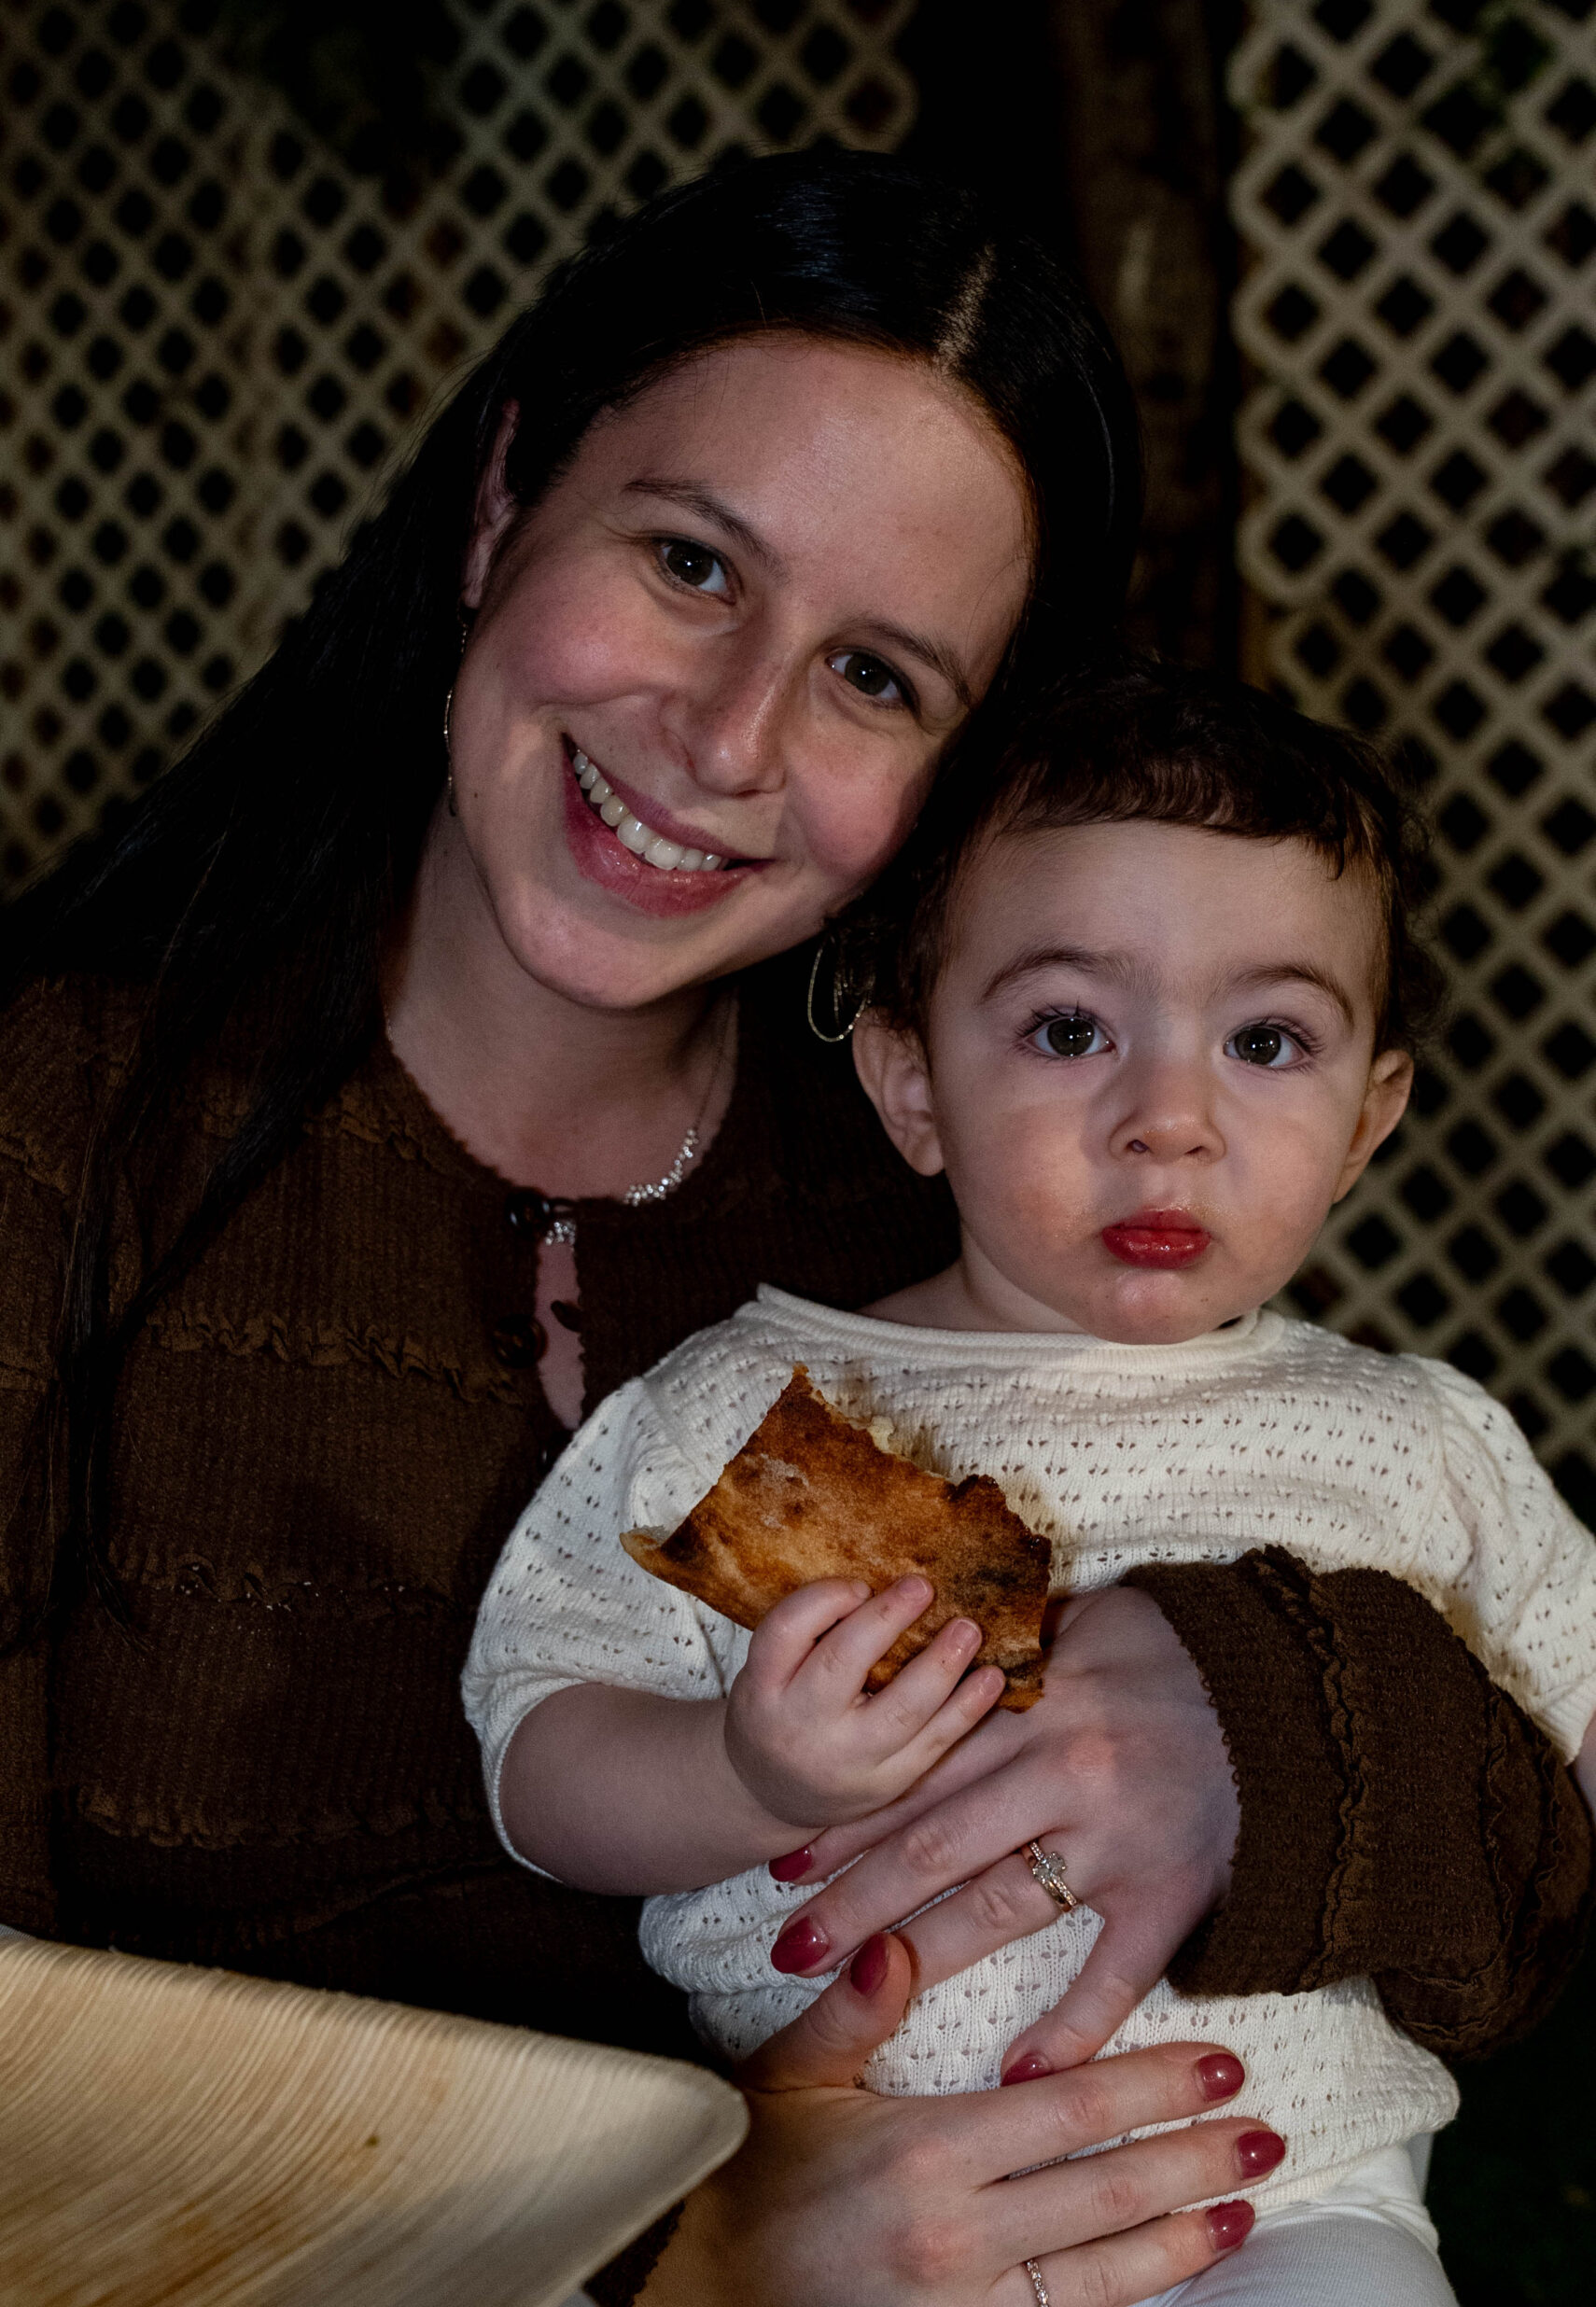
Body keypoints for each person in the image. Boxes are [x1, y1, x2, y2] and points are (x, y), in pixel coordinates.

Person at [0, 154, 1586, 2307]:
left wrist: (1261, 1727)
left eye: (877, 675)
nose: (729, 735)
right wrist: (683, 2249)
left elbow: (1510, 1897)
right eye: (689, 561)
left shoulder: (971, 1195)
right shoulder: (55, 1139)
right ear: (501, 502)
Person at [465, 667, 1596, 2307]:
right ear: (913, 1083)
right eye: (1069, 1030)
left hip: (1281, 2201)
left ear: (1366, 1121)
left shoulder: (1414, 1438)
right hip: (849, 2205)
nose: (1167, 1121)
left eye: (1266, 1040)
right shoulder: (743, 1411)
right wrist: (742, 1772)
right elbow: (535, 1744)